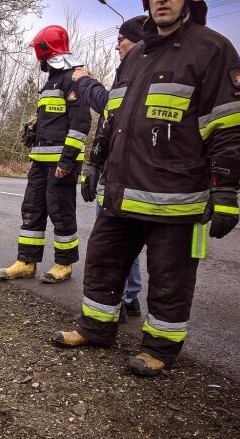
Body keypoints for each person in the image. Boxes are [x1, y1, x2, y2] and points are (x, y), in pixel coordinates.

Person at [52, 0, 240, 376]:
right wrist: (96, 162)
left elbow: (232, 125)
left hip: (176, 198)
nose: (162, 1)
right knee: (103, 261)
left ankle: (159, 349)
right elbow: (113, 116)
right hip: (121, 193)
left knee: (169, 277)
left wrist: (226, 189)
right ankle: (95, 329)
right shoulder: (136, 55)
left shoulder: (213, 48)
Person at [0, 24, 91, 284]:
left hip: (62, 163)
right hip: (40, 162)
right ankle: (26, 262)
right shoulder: (52, 80)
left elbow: (80, 124)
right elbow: (51, 121)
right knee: (32, 209)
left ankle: (64, 264)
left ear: (46, 50)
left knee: (61, 213)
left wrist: (67, 161)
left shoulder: (73, 79)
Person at [72, 15, 148, 323]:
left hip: (130, 175)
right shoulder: (130, 71)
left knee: (116, 240)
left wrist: (85, 82)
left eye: (121, 38)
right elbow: (108, 124)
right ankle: (129, 297)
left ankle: (123, 299)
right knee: (123, 239)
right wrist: (94, 163)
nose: (116, 44)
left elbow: (108, 105)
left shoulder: (142, 69)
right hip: (116, 170)